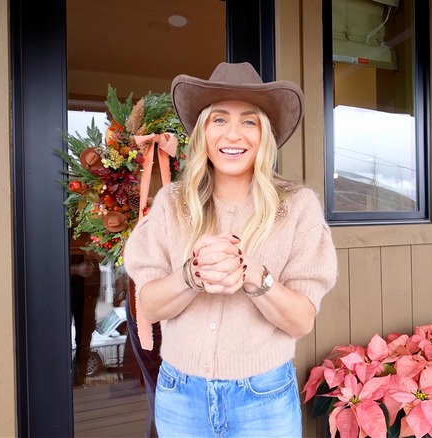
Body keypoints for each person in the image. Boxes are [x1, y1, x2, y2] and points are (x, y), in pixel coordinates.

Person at [123, 62, 337, 437]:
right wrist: (193, 275)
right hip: (180, 396)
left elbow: (301, 321)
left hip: (263, 399)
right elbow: (150, 306)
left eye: (249, 121)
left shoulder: (298, 206)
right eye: (218, 119)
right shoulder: (171, 203)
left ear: (264, 135)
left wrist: (256, 278)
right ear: (203, 132)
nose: (232, 134)